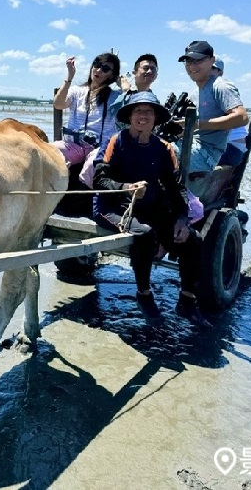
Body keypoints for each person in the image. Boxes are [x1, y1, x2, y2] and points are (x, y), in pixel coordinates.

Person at [92, 91, 211, 327]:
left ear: (156, 118)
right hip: (113, 207)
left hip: (149, 208)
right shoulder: (116, 141)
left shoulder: (163, 148)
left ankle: (187, 301)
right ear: (130, 116)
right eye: (138, 111)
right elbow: (99, 180)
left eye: (148, 112)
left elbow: (176, 187)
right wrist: (125, 187)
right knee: (145, 234)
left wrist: (181, 218)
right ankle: (144, 294)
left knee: (193, 240)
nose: (143, 116)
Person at [177, 41, 248, 200]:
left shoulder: (220, 86)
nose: (192, 66)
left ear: (211, 60)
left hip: (206, 154)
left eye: (198, 60)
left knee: (161, 155)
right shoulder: (195, 92)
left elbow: (242, 117)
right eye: (188, 61)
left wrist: (195, 125)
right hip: (192, 147)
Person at [52, 52, 122, 167]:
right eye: (97, 64)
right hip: (74, 145)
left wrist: (124, 88)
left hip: (101, 146)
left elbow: (131, 111)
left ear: (112, 75)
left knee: (92, 164)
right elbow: (58, 104)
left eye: (105, 69)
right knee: (50, 151)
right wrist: (69, 77)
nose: (98, 70)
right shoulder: (77, 91)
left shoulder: (116, 96)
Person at [212, 59, 248, 167]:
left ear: (220, 73)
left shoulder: (219, 89)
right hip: (234, 149)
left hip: (230, 148)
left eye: (212, 68)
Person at [112, 53, 159, 130]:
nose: (150, 71)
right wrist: (126, 92)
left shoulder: (154, 101)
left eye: (153, 69)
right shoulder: (118, 94)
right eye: (146, 68)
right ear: (134, 72)